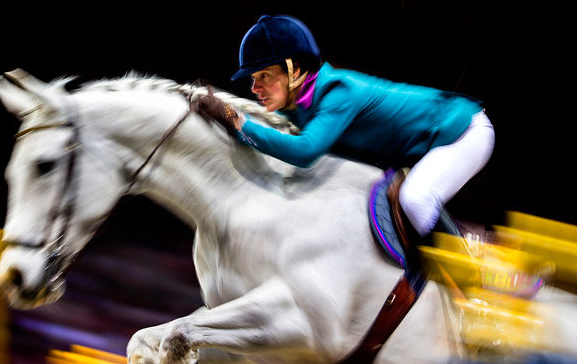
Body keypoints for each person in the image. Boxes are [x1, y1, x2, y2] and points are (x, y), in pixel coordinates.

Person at [197, 14, 495, 241]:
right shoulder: (301, 108)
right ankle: (468, 240)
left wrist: (235, 121)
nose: (255, 87)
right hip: (428, 145)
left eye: (263, 75)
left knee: (415, 200)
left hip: (463, 131)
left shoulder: (339, 93)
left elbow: (304, 152)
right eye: (252, 79)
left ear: (294, 70)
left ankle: (474, 279)